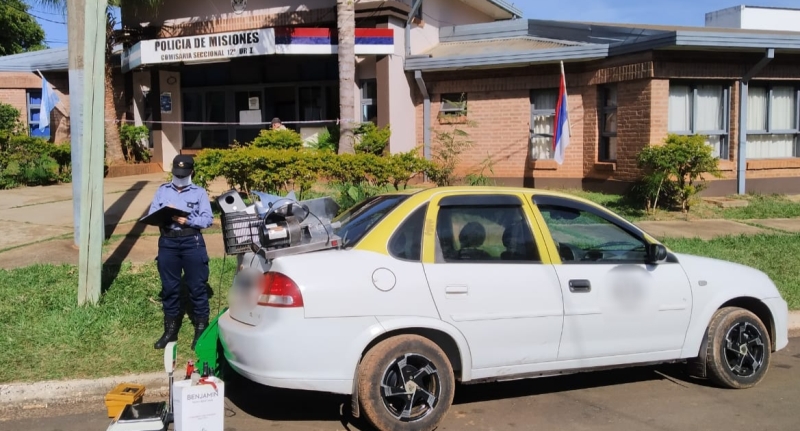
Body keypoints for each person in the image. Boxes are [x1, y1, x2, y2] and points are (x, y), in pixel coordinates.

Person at [149, 154, 214, 350]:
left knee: (197, 287)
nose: (180, 177)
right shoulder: (162, 191)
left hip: (191, 242)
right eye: (177, 173)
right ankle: (170, 330)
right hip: (168, 242)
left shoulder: (199, 193)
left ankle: (201, 329)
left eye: (183, 174)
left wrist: (189, 220)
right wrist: (164, 216)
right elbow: (152, 214)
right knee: (170, 288)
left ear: (191, 172)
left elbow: (207, 220)